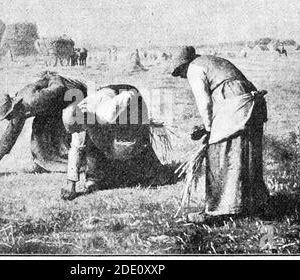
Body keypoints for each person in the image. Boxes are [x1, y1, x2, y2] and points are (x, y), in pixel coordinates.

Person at [172, 46, 269, 222]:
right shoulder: (212, 61)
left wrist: (209, 129)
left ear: (184, 66)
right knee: (247, 155)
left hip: (236, 106)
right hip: (252, 105)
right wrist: (207, 126)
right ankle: (254, 205)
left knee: (218, 154)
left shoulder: (194, 68)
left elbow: (205, 103)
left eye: (179, 72)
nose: (181, 76)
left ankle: (218, 211)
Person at [60, 84, 170, 200]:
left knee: (130, 144)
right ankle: (94, 178)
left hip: (129, 98)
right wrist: (70, 184)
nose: (77, 132)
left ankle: (156, 173)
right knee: (90, 139)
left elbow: (129, 95)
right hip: (105, 99)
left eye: (78, 129)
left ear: (84, 119)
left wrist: (136, 123)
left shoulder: (107, 111)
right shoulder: (80, 116)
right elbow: (76, 148)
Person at [0, 73, 87, 174]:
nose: (8, 119)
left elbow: (59, 86)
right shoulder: (18, 110)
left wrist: (50, 77)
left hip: (72, 96)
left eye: (8, 116)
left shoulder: (33, 100)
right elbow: (11, 133)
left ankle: (81, 164)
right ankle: (53, 165)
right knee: (38, 141)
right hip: (52, 107)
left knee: (68, 134)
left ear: (12, 108)